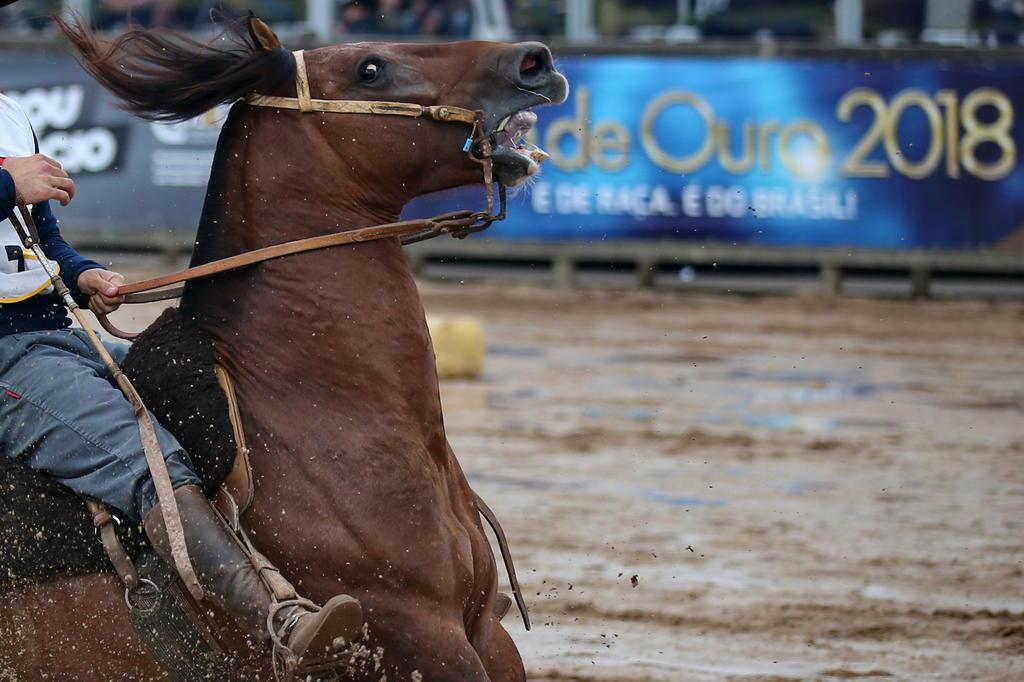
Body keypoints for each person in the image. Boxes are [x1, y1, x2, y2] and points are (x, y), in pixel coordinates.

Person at [0, 88, 362, 667]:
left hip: (54, 339)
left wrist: (81, 272)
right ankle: (281, 622)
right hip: (9, 359)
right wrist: (6, 185)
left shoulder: (11, 113)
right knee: (152, 465)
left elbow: (39, 243)